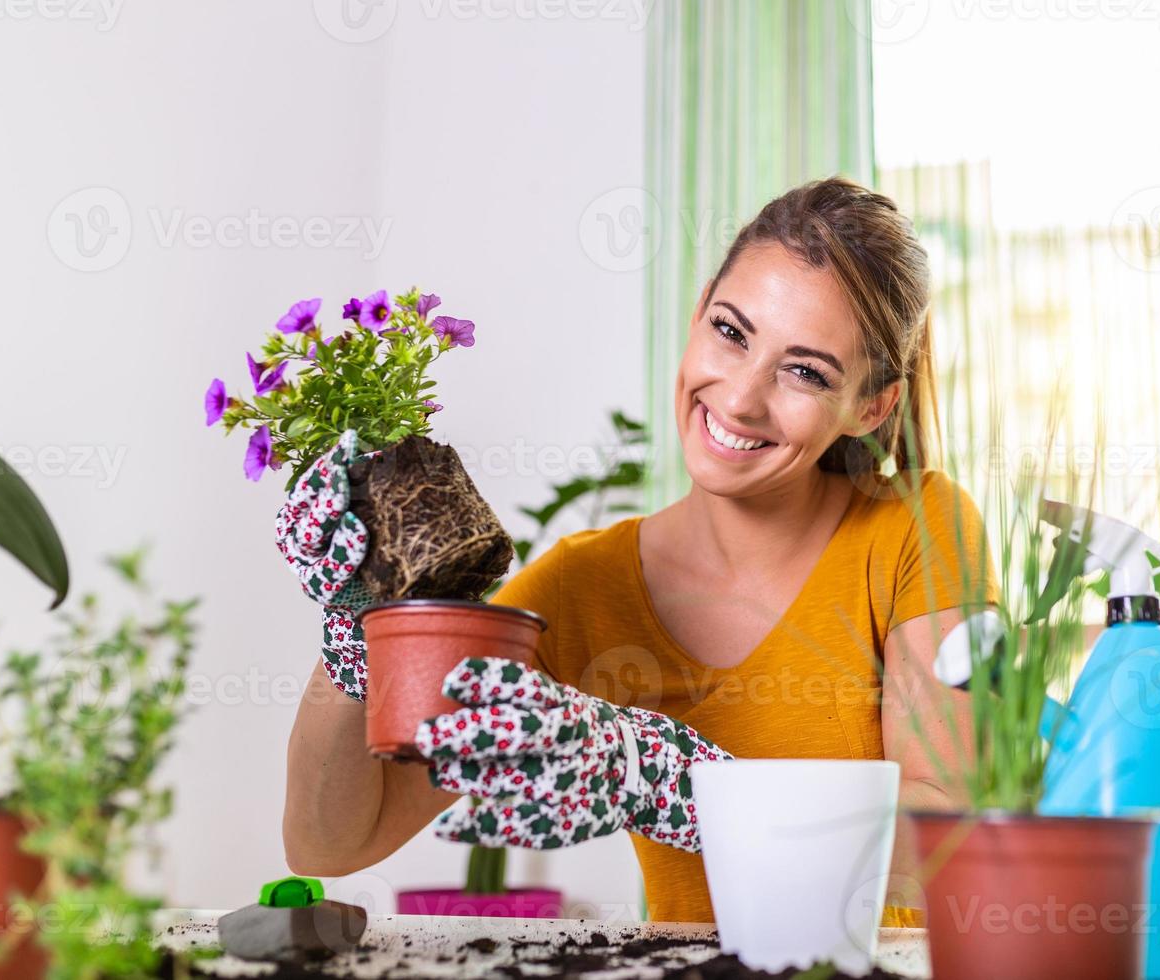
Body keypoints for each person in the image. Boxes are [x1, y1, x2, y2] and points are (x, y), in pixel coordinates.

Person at [280, 175, 999, 927]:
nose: (741, 397)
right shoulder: (583, 588)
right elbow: (330, 844)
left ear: (871, 405)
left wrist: (673, 784)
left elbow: (949, 837)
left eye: (805, 371)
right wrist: (354, 635)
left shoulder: (917, 530)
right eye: (731, 331)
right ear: (697, 315)